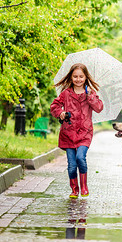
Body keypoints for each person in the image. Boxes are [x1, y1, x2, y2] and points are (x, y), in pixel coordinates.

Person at [50, 63, 103, 198]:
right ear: (71, 77)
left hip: (84, 133)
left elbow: (98, 108)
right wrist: (61, 112)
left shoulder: (90, 93)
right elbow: (54, 106)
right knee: (72, 165)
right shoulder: (66, 93)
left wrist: (90, 96)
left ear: (85, 77)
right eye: (75, 76)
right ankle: (74, 189)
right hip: (68, 133)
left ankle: (84, 186)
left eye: (81, 76)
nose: (78, 79)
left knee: (80, 157)